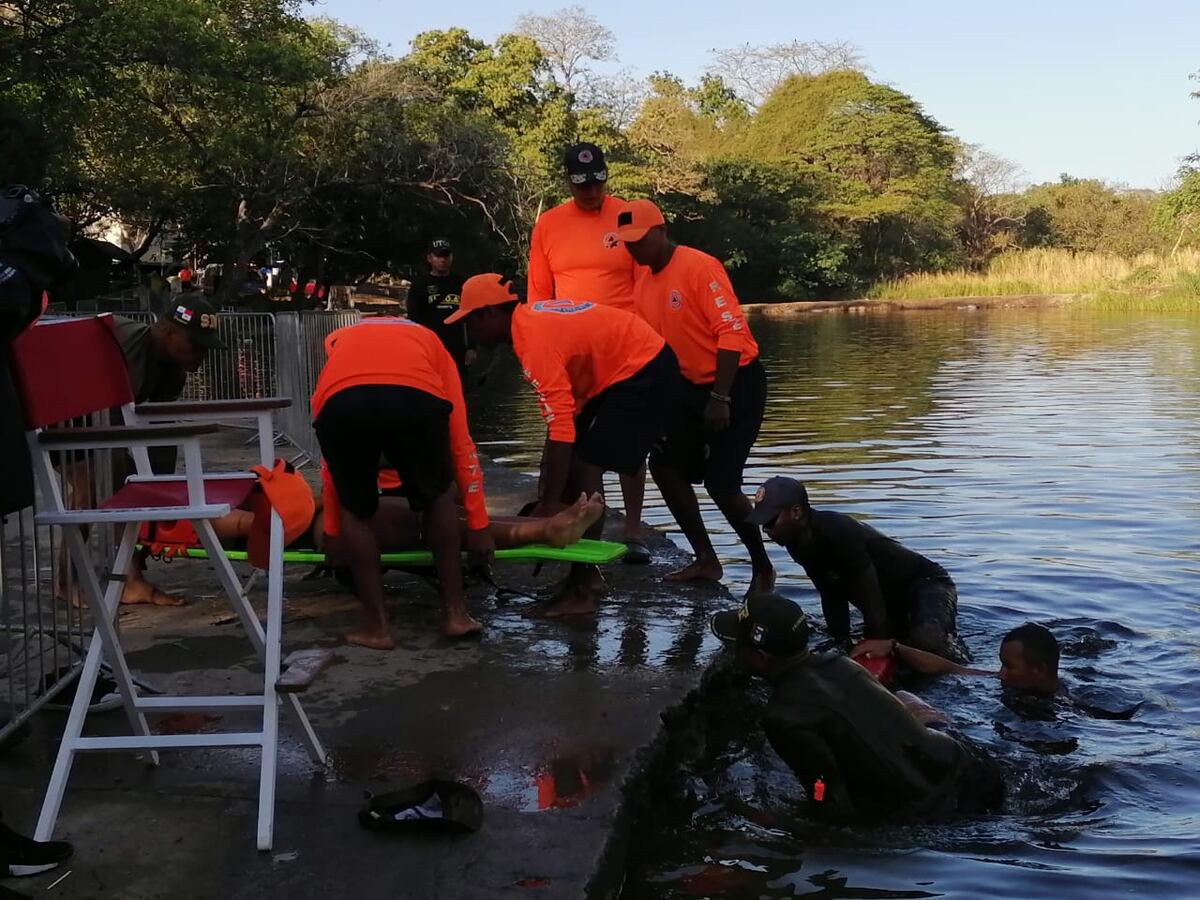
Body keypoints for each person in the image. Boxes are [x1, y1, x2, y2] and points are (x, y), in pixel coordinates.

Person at [447, 274, 678, 616]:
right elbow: (563, 419)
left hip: (642, 368)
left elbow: (561, 427)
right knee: (572, 463)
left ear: (489, 315)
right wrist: (548, 495)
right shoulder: (529, 324)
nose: (469, 331)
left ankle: (582, 590)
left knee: (587, 467)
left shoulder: (532, 341)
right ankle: (588, 578)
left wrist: (548, 504)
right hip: (621, 367)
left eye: (470, 321)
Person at [710, 592, 1004, 824]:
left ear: (761, 658)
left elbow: (826, 794)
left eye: (738, 646)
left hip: (931, 813)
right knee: (903, 695)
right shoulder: (840, 663)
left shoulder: (783, 716)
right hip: (970, 767)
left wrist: (781, 820)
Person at [616, 199, 774, 596]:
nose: (634, 249)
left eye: (640, 240)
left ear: (661, 231)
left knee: (722, 482)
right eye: (627, 243)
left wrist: (720, 397)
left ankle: (763, 567)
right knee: (665, 463)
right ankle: (706, 559)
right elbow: (653, 350)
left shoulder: (700, 267)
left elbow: (732, 333)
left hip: (735, 382)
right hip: (686, 387)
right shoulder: (642, 281)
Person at [311, 317, 494, 647]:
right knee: (437, 496)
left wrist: (333, 532)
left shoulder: (338, 355)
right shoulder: (431, 343)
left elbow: (331, 469)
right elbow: (461, 442)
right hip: (415, 398)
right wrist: (478, 523)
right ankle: (455, 614)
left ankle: (377, 627)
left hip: (341, 402)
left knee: (356, 508)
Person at [55, 298, 225, 608]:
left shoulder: (172, 372)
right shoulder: (122, 342)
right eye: (196, 345)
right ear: (168, 332)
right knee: (89, 487)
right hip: (60, 407)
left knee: (129, 488)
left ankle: (130, 580)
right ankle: (65, 581)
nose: (201, 356)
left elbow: (157, 436)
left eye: (207, 348)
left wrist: (154, 499)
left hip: (103, 418)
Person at [528, 143, 651, 564]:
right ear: (568, 181)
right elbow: (539, 295)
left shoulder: (627, 217)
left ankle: (633, 529)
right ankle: (578, 522)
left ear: (606, 177)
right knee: (577, 441)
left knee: (631, 441)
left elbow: (646, 282)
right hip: (573, 352)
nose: (591, 192)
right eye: (582, 185)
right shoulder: (548, 225)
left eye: (597, 182)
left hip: (626, 348)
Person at [747, 476, 970, 662]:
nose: (766, 530)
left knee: (927, 640)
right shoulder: (795, 541)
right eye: (763, 524)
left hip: (927, 583)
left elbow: (870, 593)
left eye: (771, 522)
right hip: (890, 596)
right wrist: (839, 641)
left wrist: (877, 640)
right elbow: (830, 594)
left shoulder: (838, 531)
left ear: (796, 512)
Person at [853, 622, 1061, 697]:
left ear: (1039, 670)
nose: (1001, 673)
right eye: (1001, 664)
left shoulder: (1069, 708)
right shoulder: (1013, 681)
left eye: (1008, 666)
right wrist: (894, 647)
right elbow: (952, 668)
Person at [406, 238, 473, 374]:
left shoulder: (461, 283)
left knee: (459, 388)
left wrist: (472, 347)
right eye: (438, 256)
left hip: (456, 349)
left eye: (446, 255)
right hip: (429, 347)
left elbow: (470, 318)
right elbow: (413, 318)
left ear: (452, 257)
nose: (443, 260)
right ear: (429, 258)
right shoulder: (420, 285)